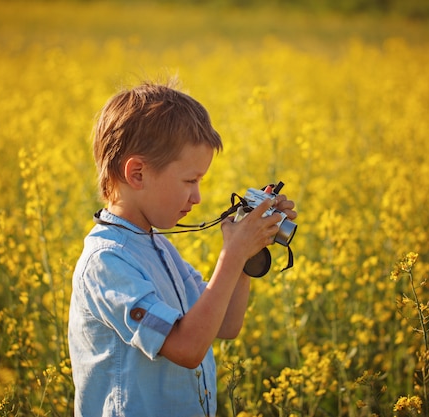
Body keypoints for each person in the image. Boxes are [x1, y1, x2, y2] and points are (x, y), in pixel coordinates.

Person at [68, 81, 297, 417]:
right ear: (138, 173)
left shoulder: (159, 248)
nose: (198, 197)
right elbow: (187, 347)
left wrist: (247, 253)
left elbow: (225, 325)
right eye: (190, 181)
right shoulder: (107, 262)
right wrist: (231, 255)